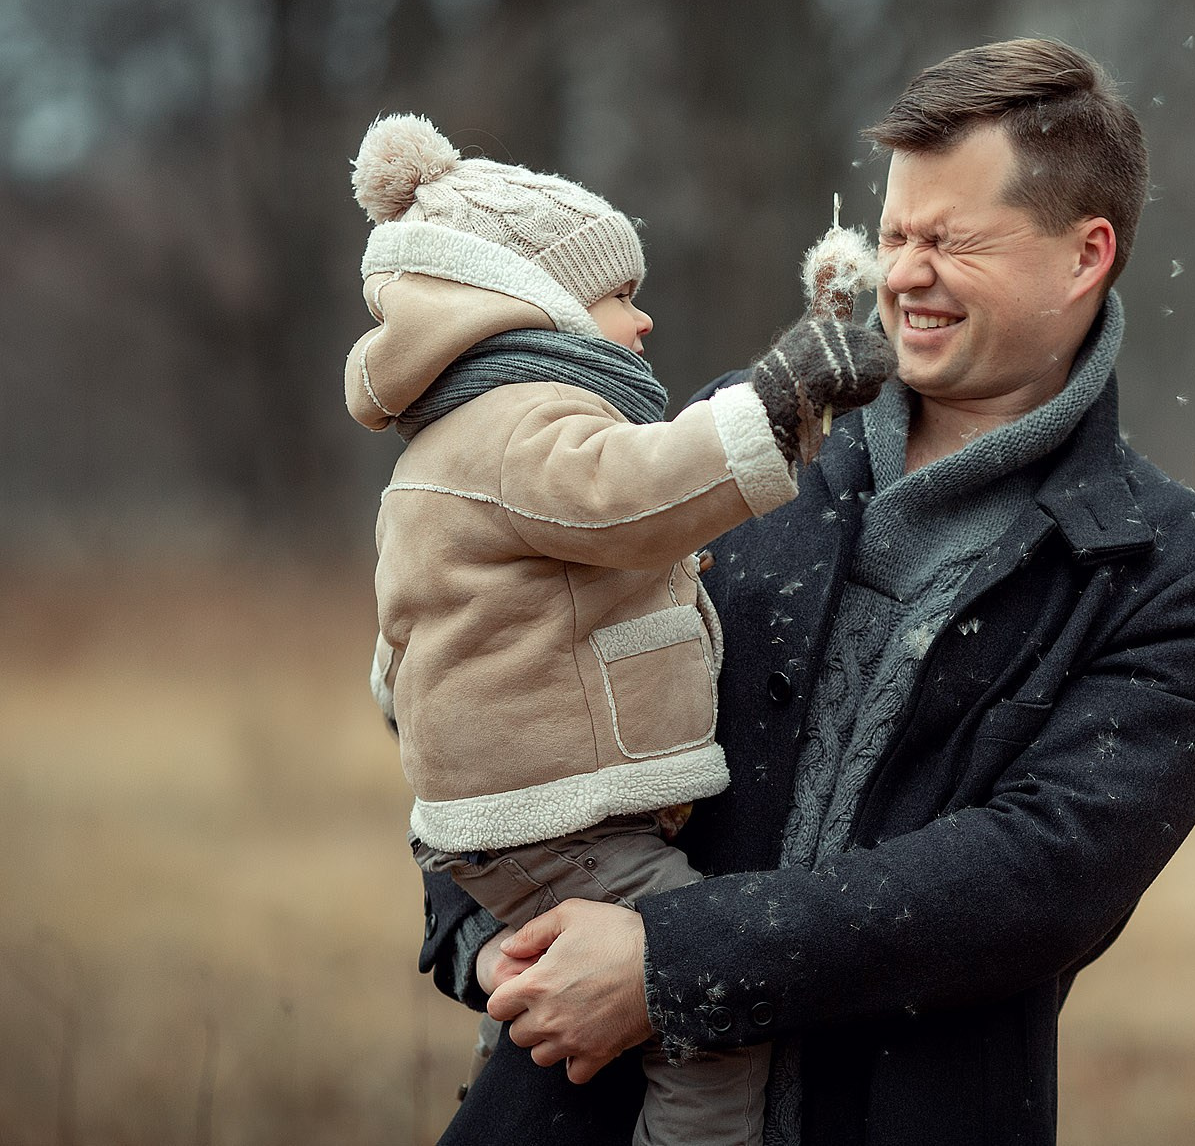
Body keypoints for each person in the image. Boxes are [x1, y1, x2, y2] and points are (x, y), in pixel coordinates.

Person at [422, 38, 1195, 1145]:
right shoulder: (725, 439)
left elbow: (1033, 882)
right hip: (572, 1109)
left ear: (1084, 256)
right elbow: (505, 664)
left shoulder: (1177, 572)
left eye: (951, 240)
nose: (903, 274)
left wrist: (671, 964)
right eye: (894, 235)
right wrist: (488, 938)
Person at [344, 113, 892, 1146]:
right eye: (618, 298)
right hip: (563, 826)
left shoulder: (448, 445)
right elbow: (629, 494)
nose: (642, 326)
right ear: (530, 306)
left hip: (517, 824)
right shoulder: (516, 429)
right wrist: (779, 397)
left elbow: (398, 664)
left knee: (567, 1027)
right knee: (707, 1017)